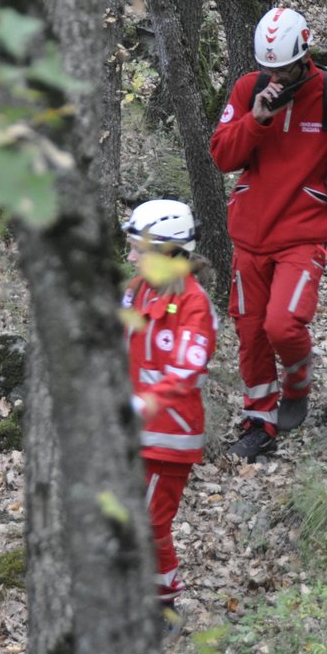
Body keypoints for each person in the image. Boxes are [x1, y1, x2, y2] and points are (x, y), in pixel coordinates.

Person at [210, 6, 327, 462]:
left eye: (283, 68)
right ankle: (258, 420)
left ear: (304, 56)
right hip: (249, 235)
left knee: (282, 325)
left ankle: (298, 381)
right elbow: (222, 156)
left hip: (303, 236)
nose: (276, 77)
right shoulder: (249, 89)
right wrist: (257, 120)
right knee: (251, 333)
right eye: (269, 69)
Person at [121, 198, 218, 618]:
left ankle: (164, 604)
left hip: (169, 437)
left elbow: (187, 370)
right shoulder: (135, 290)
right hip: (129, 432)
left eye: (137, 249)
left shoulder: (194, 306)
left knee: (151, 521)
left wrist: (141, 403)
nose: (130, 256)